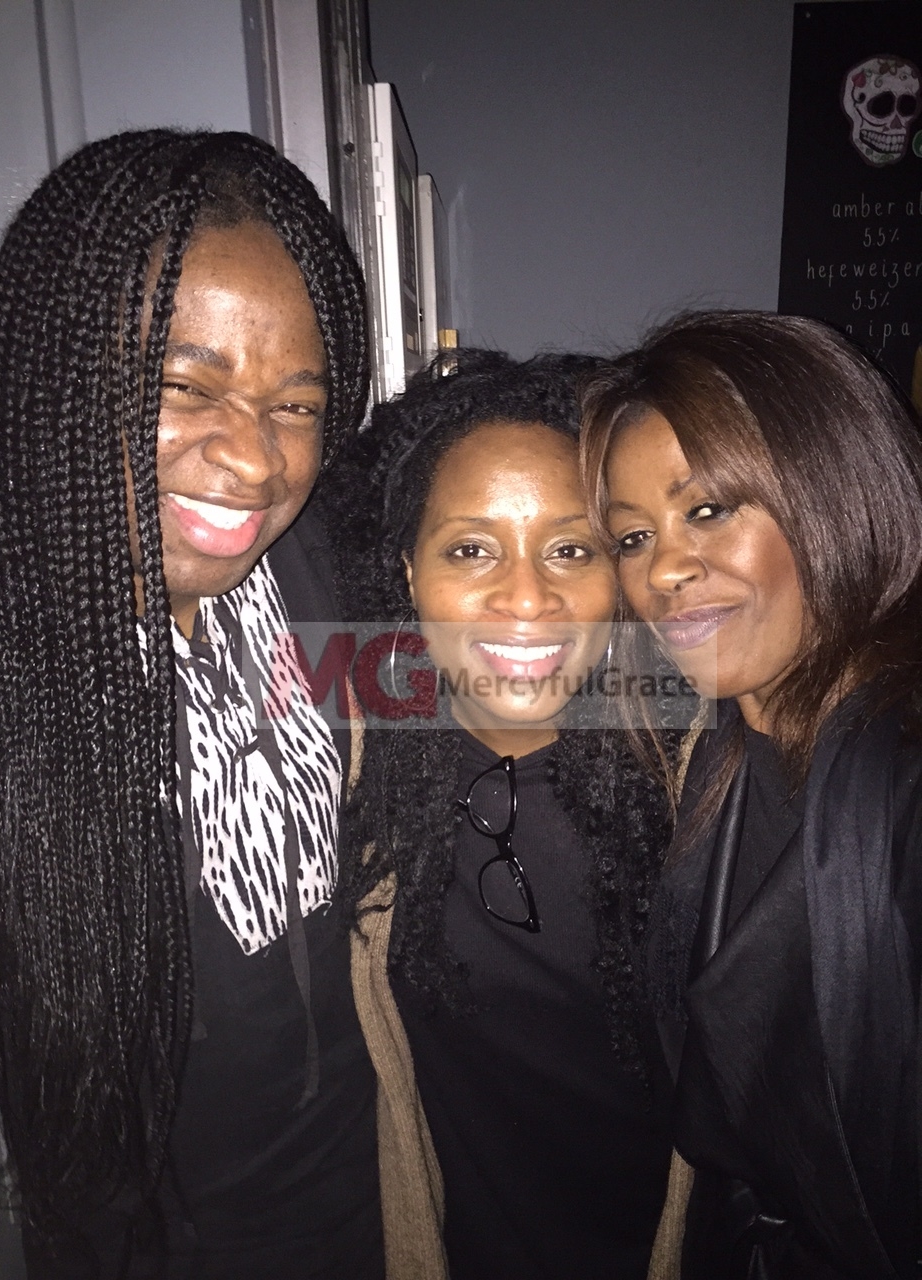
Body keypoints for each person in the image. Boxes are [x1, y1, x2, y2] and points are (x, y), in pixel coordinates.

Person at [0, 129, 402, 1279]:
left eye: (296, 404)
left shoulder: (325, 577)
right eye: (184, 387)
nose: (253, 458)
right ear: (51, 377)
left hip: (386, 1203)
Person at [581, 310, 922, 1279]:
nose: (663, 569)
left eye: (708, 509)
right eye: (633, 535)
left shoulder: (900, 779)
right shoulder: (718, 750)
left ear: (832, 488)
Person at [323, 350, 675, 1280]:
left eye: (571, 549)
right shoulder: (359, 773)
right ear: (407, 570)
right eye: (471, 549)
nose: (527, 599)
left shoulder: (695, 793)